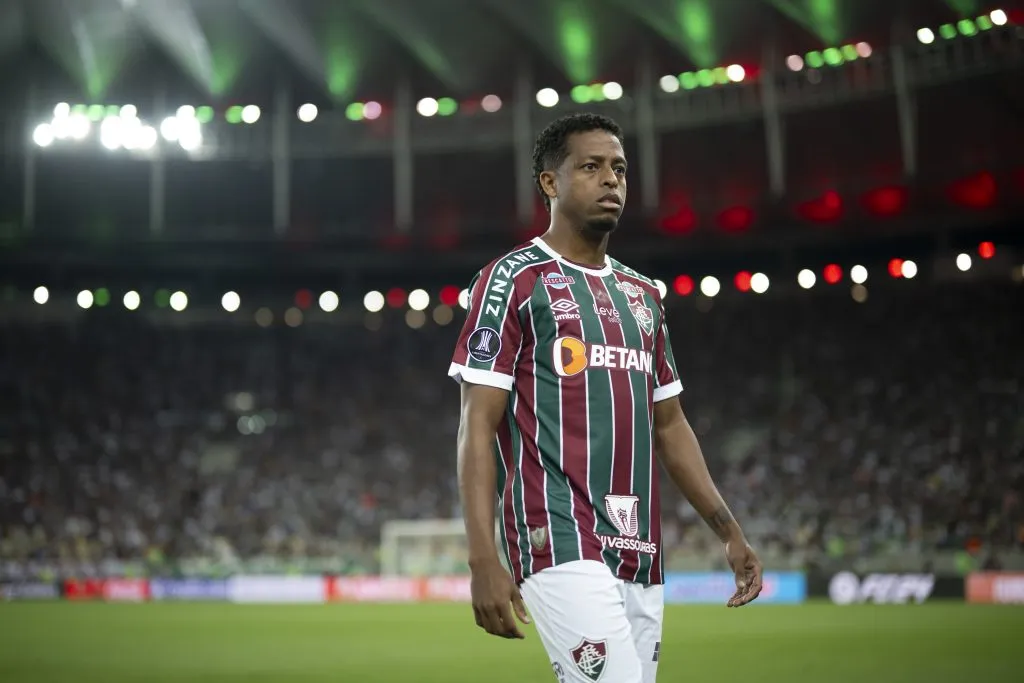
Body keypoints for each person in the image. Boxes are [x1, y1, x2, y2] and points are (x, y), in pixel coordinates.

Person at [448, 112, 763, 683]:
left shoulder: (643, 296)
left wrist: (729, 530)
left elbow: (670, 427)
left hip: (639, 544)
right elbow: (476, 425)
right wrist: (482, 556)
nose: (610, 180)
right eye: (590, 167)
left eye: (618, 168)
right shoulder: (513, 281)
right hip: (557, 532)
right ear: (550, 183)